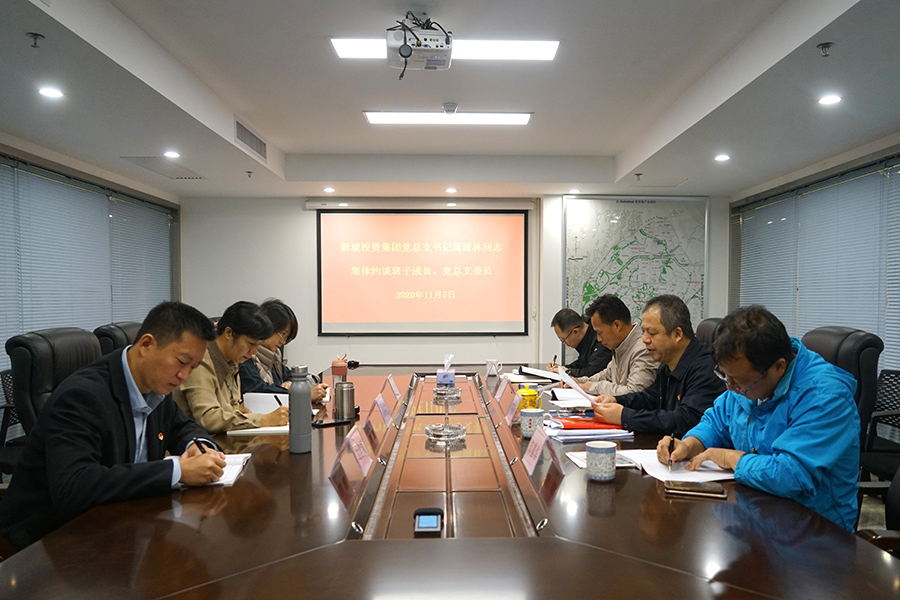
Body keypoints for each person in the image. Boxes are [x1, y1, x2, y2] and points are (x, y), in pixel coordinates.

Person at [0, 301, 227, 550]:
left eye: (193, 367)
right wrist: (177, 471)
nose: (184, 376)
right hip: (51, 538)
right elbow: (74, 487)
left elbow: (180, 426)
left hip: (121, 520)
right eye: (181, 362)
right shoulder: (82, 397)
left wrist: (198, 445)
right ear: (147, 345)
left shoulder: (156, 386)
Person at [657, 305, 860, 530]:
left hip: (814, 531)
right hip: (755, 513)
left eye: (739, 381)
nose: (730, 387)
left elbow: (792, 474)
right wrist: (689, 444)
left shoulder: (826, 397)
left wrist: (730, 458)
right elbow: (717, 420)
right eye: (725, 376)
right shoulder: (750, 378)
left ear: (779, 367)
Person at [591, 295, 724, 437]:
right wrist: (616, 400)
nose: (645, 340)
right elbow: (649, 398)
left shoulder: (706, 369)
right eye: (644, 332)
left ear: (677, 334)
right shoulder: (666, 365)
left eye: (652, 333)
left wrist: (624, 416)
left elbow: (686, 420)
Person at [173, 301, 289, 433]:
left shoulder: (232, 359)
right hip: (194, 441)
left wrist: (240, 413)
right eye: (251, 344)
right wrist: (263, 420)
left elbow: (231, 409)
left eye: (258, 345)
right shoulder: (200, 360)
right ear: (228, 333)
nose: (254, 352)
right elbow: (208, 418)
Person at [239, 299, 328, 401]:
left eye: (287, 338)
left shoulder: (273, 357)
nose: (283, 342)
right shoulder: (246, 357)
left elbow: (291, 375)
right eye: (283, 334)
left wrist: (289, 383)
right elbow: (258, 390)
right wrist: (303, 395)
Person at [576, 294, 658, 396]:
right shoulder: (620, 346)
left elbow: (634, 392)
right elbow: (606, 375)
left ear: (617, 325)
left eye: (600, 333)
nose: (598, 339)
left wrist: (594, 387)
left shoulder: (643, 350)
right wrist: (579, 382)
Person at [547, 308, 612, 377]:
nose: (564, 343)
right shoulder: (586, 336)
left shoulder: (601, 340)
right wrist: (562, 368)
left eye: (563, 340)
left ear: (575, 332)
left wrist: (567, 372)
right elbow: (582, 364)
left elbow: (592, 371)